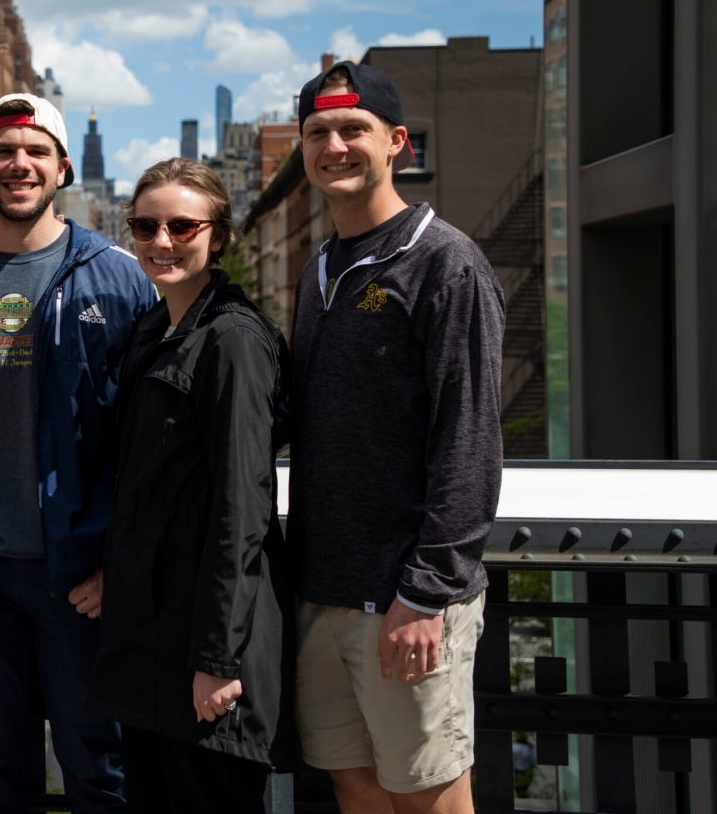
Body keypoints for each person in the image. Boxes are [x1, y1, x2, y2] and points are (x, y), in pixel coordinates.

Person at [0, 92, 156, 812]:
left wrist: (116, 561)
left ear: (63, 166)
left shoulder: (116, 277)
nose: (19, 164)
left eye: (35, 151)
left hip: (81, 579)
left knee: (98, 771)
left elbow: (146, 442)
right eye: (3, 151)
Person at [287, 60, 504, 813]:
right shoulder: (319, 268)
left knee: (428, 795)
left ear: (397, 144)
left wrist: (425, 592)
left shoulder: (445, 262)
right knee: (354, 785)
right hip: (322, 587)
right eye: (318, 131)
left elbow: (468, 439)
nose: (334, 145)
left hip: (405, 597)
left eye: (354, 130)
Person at [96, 158, 296, 811]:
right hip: (152, 640)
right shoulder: (154, 331)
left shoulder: (233, 342)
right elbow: (149, 490)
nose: (161, 241)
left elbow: (242, 508)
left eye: (181, 226)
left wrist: (218, 657)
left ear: (218, 234)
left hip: (206, 652)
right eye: (145, 225)